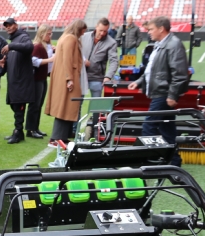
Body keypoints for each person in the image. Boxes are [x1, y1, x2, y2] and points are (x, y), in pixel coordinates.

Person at [127, 16, 189, 166]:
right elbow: (151, 70)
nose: (148, 32)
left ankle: (150, 160)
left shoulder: (173, 45)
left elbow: (180, 73)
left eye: (151, 29)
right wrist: (139, 81)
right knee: (166, 128)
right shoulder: (160, 44)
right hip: (162, 93)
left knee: (149, 126)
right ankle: (173, 161)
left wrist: (173, 95)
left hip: (164, 94)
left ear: (161, 29)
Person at [45, 21, 87, 143]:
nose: (83, 34)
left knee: (64, 108)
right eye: (82, 31)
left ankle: (61, 137)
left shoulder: (64, 37)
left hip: (62, 76)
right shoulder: (71, 39)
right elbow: (67, 59)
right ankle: (57, 138)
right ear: (78, 29)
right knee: (64, 108)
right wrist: (69, 79)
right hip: (67, 77)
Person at [0, 18, 38, 142]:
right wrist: (4, 62)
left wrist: (11, 46)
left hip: (21, 81)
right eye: (6, 26)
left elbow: (28, 47)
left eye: (10, 25)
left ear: (16, 25)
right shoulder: (14, 39)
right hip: (14, 81)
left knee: (19, 107)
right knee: (15, 106)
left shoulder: (23, 37)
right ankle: (18, 131)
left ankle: (18, 132)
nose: (8, 27)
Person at [79, 17, 118, 97]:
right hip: (81, 76)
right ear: (96, 26)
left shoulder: (111, 43)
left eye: (105, 31)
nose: (102, 33)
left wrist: (108, 76)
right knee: (77, 105)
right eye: (100, 30)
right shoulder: (83, 37)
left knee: (96, 106)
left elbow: (114, 61)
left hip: (97, 78)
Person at [27, 23, 53, 137]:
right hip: (36, 78)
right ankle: (31, 129)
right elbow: (34, 61)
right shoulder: (37, 46)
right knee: (35, 105)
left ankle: (35, 127)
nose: (50, 36)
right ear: (42, 34)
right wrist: (50, 60)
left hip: (42, 78)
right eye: (48, 34)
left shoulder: (45, 46)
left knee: (39, 104)